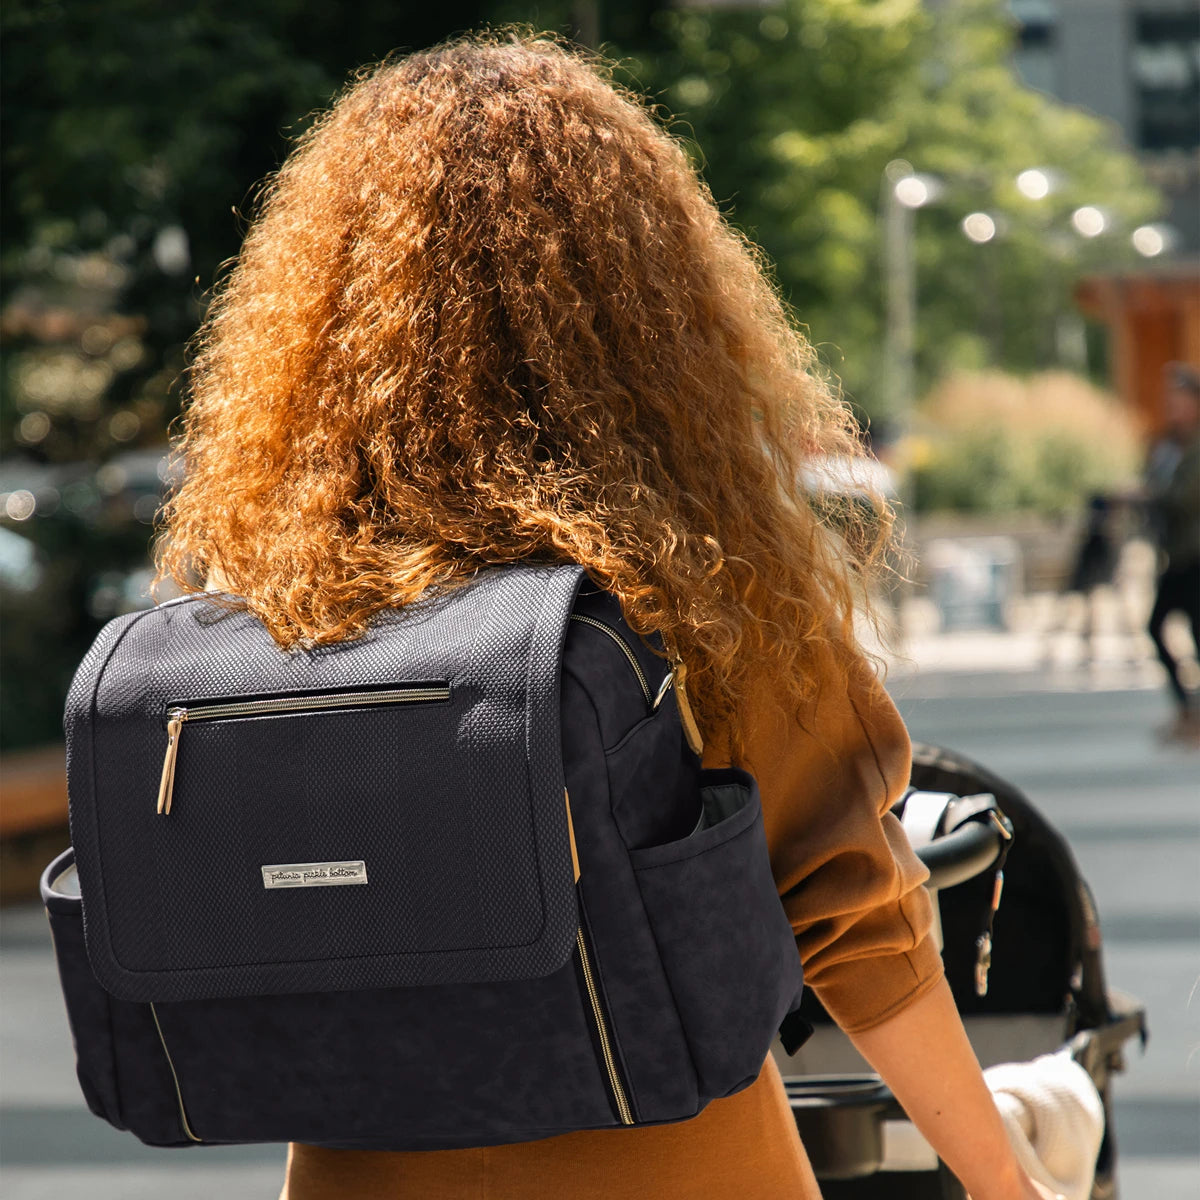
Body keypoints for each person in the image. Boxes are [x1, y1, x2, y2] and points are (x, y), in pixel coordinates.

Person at [157, 33, 1054, 1200]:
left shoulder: (278, 602)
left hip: (359, 1167)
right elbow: (855, 918)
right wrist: (1002, 1180)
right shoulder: (698, 589)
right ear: (649, 297)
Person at [1145, 364, 1200, 746]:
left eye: (1179, 400)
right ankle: (1186, 710)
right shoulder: (1168, 445)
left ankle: (1192, 714)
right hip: (1178, 556)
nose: (1172, 407)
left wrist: (1148, 494)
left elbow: (1186, 498)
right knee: (1157, 627)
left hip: (1196, 556)